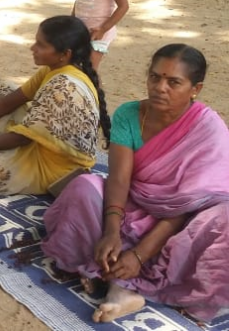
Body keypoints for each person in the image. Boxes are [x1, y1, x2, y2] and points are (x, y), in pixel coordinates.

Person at [41, 44, 229, 324]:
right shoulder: (129, 114)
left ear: (195, 89)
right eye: (155, 77)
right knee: (83, 187)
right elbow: (118, 178)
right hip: (134, 203)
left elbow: (186, 205)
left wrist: (139, 255)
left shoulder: (208, 129)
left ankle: (123, 283)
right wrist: (111, 231)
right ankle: (115, 275)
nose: (159, 87)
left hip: (183, 222)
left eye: (173, 82)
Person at [0, 15, 108, 195]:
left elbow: (21, 138)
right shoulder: (55, 70)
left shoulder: (62, 88)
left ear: (65, 54)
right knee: (5, 88)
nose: (32, 48)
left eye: (41, 45)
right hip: (40, 143)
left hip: (54, 170)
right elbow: (11, 100)